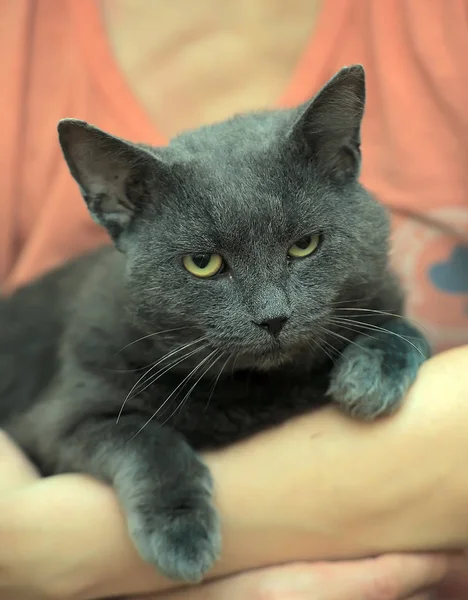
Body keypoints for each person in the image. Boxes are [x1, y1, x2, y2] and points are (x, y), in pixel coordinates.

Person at [1, 0, 468, 598]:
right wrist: (161, 484)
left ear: (343, 158)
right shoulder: (114, 341)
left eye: (303, 245)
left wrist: (395, 340)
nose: (271, 310)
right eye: (205, 263)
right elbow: (74, 423)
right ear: (120, 208)